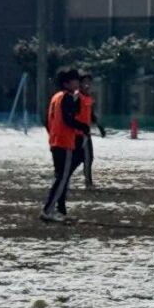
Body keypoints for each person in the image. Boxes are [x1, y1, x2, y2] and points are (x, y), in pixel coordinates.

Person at [41, 69, 90, 222]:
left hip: (55, 141)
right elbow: (69, 120)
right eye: (74, 80)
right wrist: (83, 127)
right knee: (62, 178)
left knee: (60, 177)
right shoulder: (67, 97)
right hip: (64, 141)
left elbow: (48, 120)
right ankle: (48, 210)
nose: (77, 83)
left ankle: (54, 208)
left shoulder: (56, 97)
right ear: (66, 83)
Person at [76, 73, 106, 190]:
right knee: (76, 158)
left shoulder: (88, 98)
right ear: (80, 83)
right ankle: (62, 177)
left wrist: (99, 127)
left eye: (89, 82)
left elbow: (91, 115)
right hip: (76, 133)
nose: (87, 85)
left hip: (85, 133)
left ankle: (88, 181)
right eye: (85, 82)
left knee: (88, 157)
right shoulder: (76, 97)